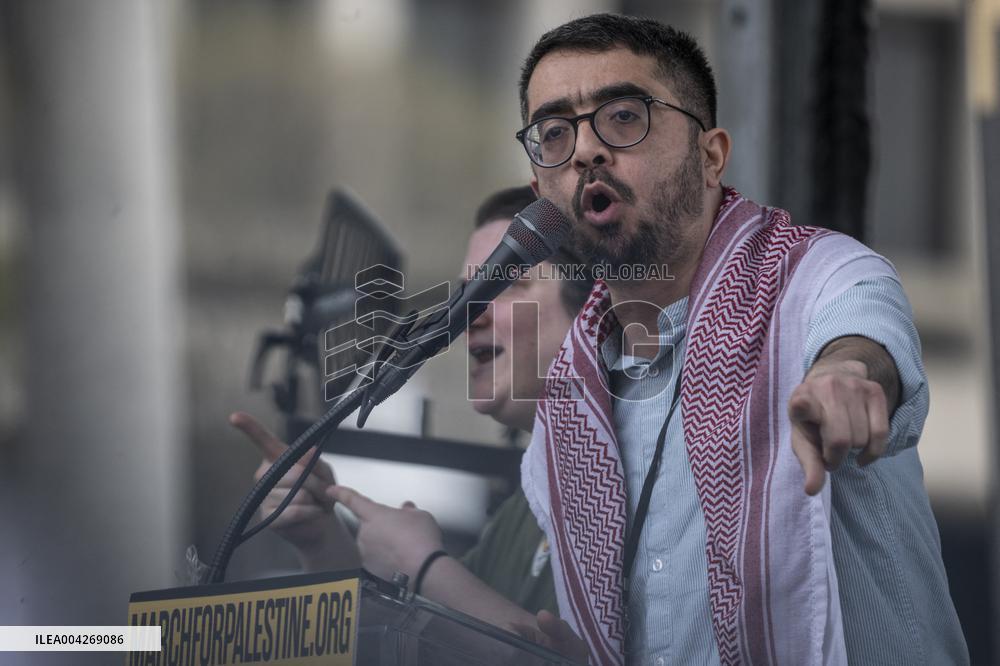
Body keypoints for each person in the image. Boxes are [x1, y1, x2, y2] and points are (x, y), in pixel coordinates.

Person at [514, 13, 968, 665]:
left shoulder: (817, 275)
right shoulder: (566, 408)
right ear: (540, 192)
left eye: (621, 116)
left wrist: (847, 374)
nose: (585, 150)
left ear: (710, 157)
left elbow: (863, 333)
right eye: (555, 132)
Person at [230, 186, 592, 643]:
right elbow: (432, 642)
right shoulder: (526, 506)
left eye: (504, 283)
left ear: (592, 307)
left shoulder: (641, 490)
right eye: (469, 290)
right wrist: (323, 541)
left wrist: (420, 566)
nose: (468, 315)